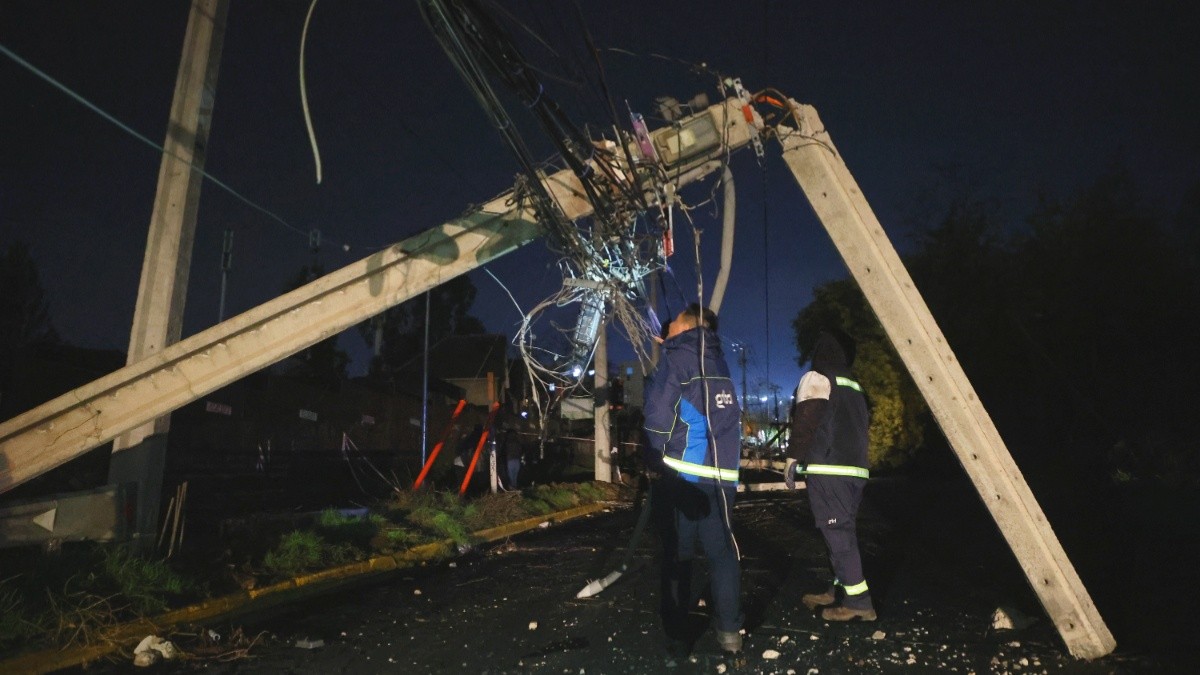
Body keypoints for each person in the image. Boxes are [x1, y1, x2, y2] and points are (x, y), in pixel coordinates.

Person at [643, 304, 744, 658]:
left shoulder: (677, 361)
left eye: (672, 326)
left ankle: (677, 639)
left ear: (685, 326)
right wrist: (670, 345)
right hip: (723, 477)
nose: (666, 328)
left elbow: (657, 416)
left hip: (684, 475)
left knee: (678, 557)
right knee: (722, 554)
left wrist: (654, 455)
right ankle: (730, 632)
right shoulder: (716, 360)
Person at [785, 329, 876, 621]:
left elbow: (806, 419)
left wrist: (792, 459)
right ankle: (838, 590)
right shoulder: (855, 386)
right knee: (839, 531)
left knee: (837, 533)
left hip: (829, 469)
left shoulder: (818, 378)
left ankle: (859, 602)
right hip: (855, 471)